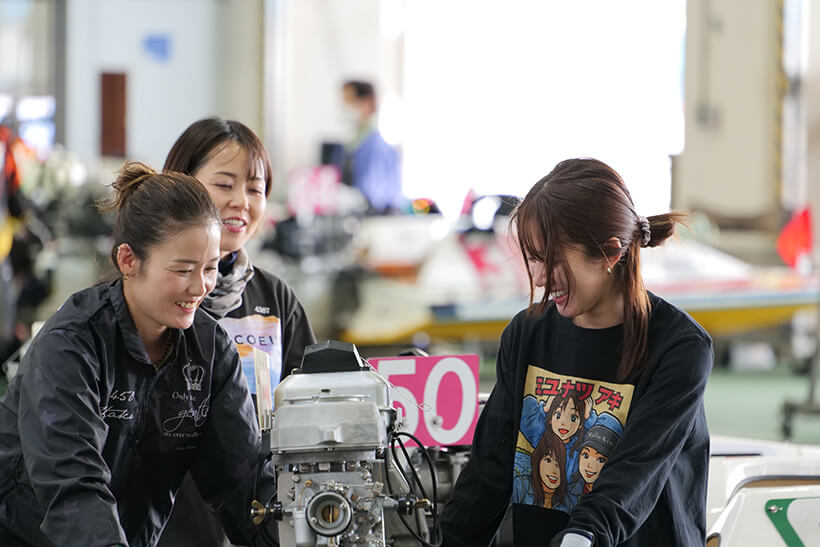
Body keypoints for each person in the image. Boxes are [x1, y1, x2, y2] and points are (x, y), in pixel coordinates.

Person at [440, 158, 714, 547]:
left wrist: (583, 534)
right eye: (533, 258)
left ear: (610, 254)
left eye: (552, 260)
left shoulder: (680, 348)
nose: (539, 278)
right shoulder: (526, 334)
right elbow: (489, 473)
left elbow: (634, 475)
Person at [0, 162, 276, 547]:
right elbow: (73, 489)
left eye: (210, 268)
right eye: (183, 270)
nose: (200, 287)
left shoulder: (210, 350)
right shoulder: (71, 345)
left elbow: (244, 486)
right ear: (128, 261)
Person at [159, 117, 316, 546]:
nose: (241, 202)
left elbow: (309, 406)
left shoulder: (274, 297)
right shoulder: (150, 293)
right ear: (181, 184)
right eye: (224, 184)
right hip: (162, 520)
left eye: (255, 188)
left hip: (256, 514)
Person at [340, 80, 403, 213]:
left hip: (375, 217)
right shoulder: (352, 144)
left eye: (350, 101)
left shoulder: (375, 146)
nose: (345, 107)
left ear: (367, 103)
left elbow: (375, 196)